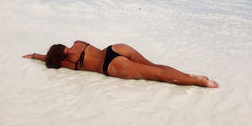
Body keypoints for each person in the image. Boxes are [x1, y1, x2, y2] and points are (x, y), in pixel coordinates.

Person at [23, 40, 218, 88]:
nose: (70, 51)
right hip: (115, 48)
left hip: (113, 66)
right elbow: (48, 57)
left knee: (157, 74)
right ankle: (191, 76)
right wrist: (35, 55)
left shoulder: (68, 63)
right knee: (156, 67)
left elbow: (46, 60)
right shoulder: (77, 43)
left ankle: (198, 81)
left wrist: (34, 56)